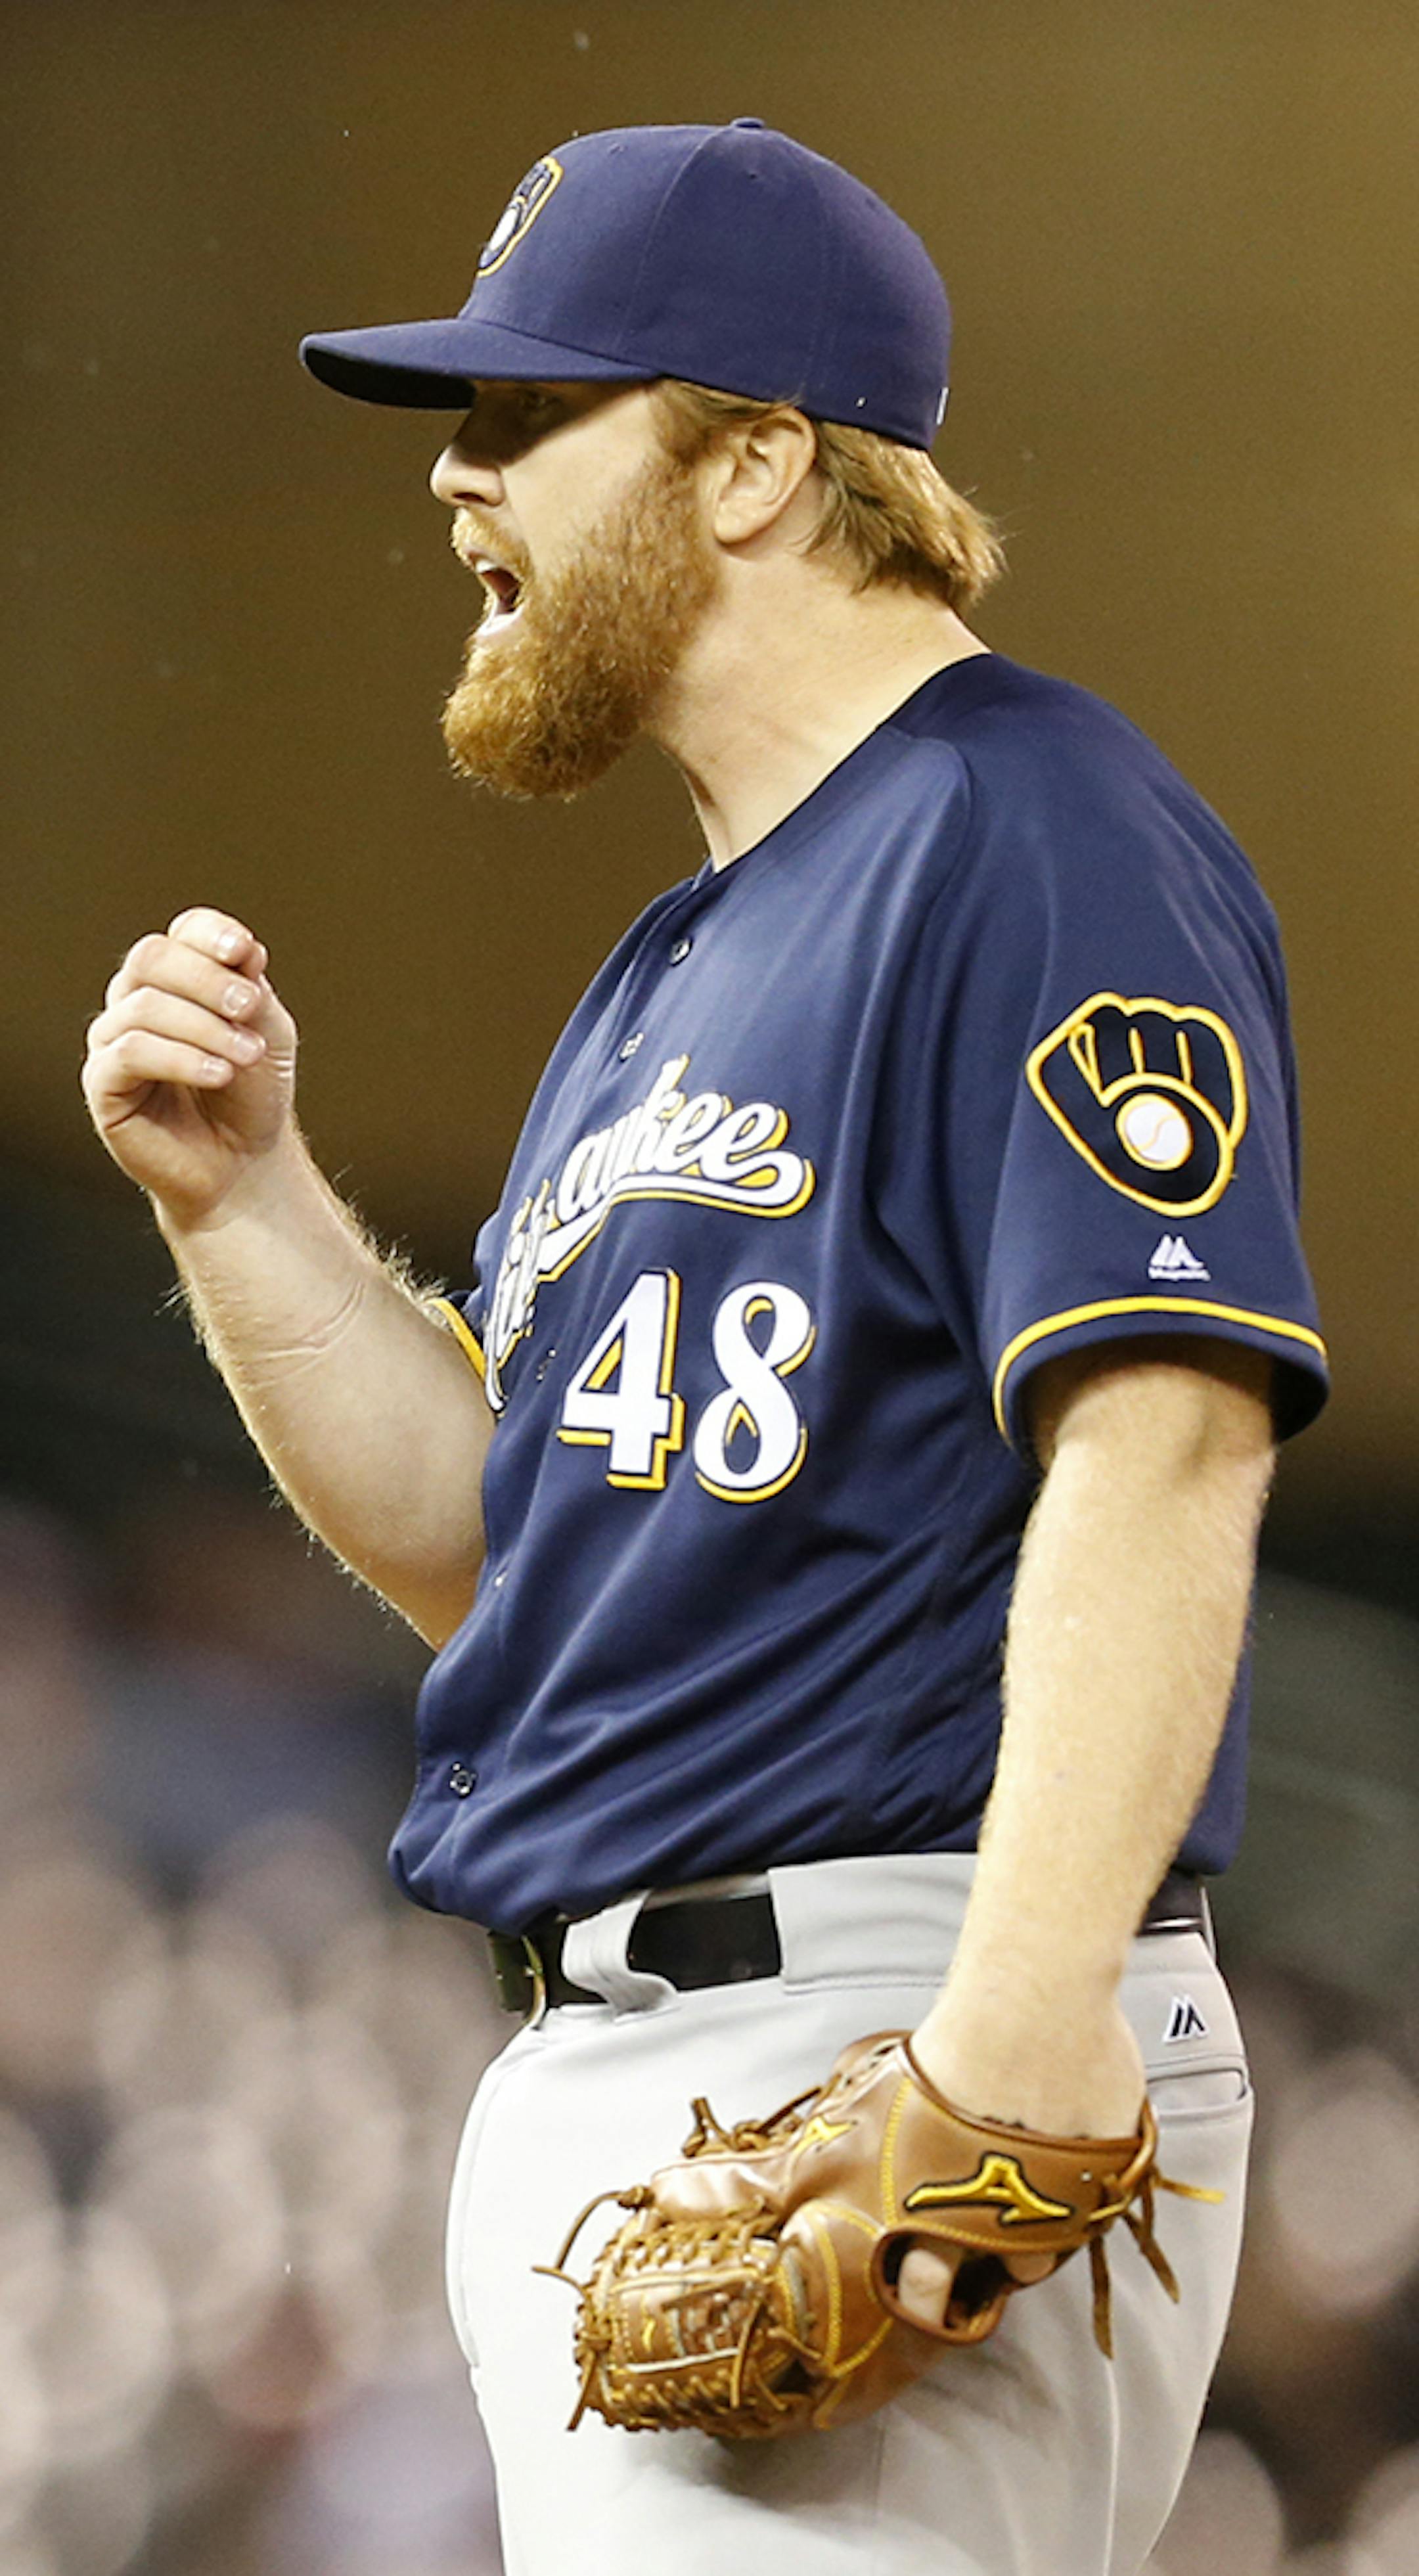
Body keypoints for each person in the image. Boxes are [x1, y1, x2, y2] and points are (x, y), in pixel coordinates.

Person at [83, 119, 1326, 2576]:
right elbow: (506, 1565)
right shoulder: (673, 967)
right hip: (660, 2038)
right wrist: (238, 1203)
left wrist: (1015, 2027)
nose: (455, 480)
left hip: (884, 2007)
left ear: (759, 461)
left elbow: (1163, 1440)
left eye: (524, 415)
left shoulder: (1031, 824)